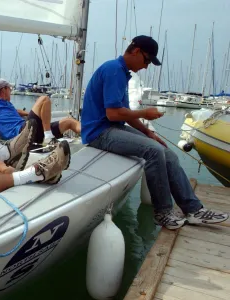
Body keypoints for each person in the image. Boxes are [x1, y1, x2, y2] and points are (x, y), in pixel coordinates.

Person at [81, 35, 228, 230]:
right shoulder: (113, 70)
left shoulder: (122, 72)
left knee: (166, 152)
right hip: (99, 132)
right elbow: (113, 113)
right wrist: (145, 113)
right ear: (135, 51)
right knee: (153, 151)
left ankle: (193, 210)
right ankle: (163, 212)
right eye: (147, 60)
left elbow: (124, 113)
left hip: (113, 128)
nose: (146, 66)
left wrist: (148, 133)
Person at [0, 78, 81, 145]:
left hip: (32, 130)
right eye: (10, 88)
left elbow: (15, 111)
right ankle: (48, 137)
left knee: (69, 122)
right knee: (44, 99)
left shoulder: (7, 105)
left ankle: (91, 136)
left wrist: (29, 113)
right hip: (22, 133)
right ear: (4, 90)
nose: (11, 91)